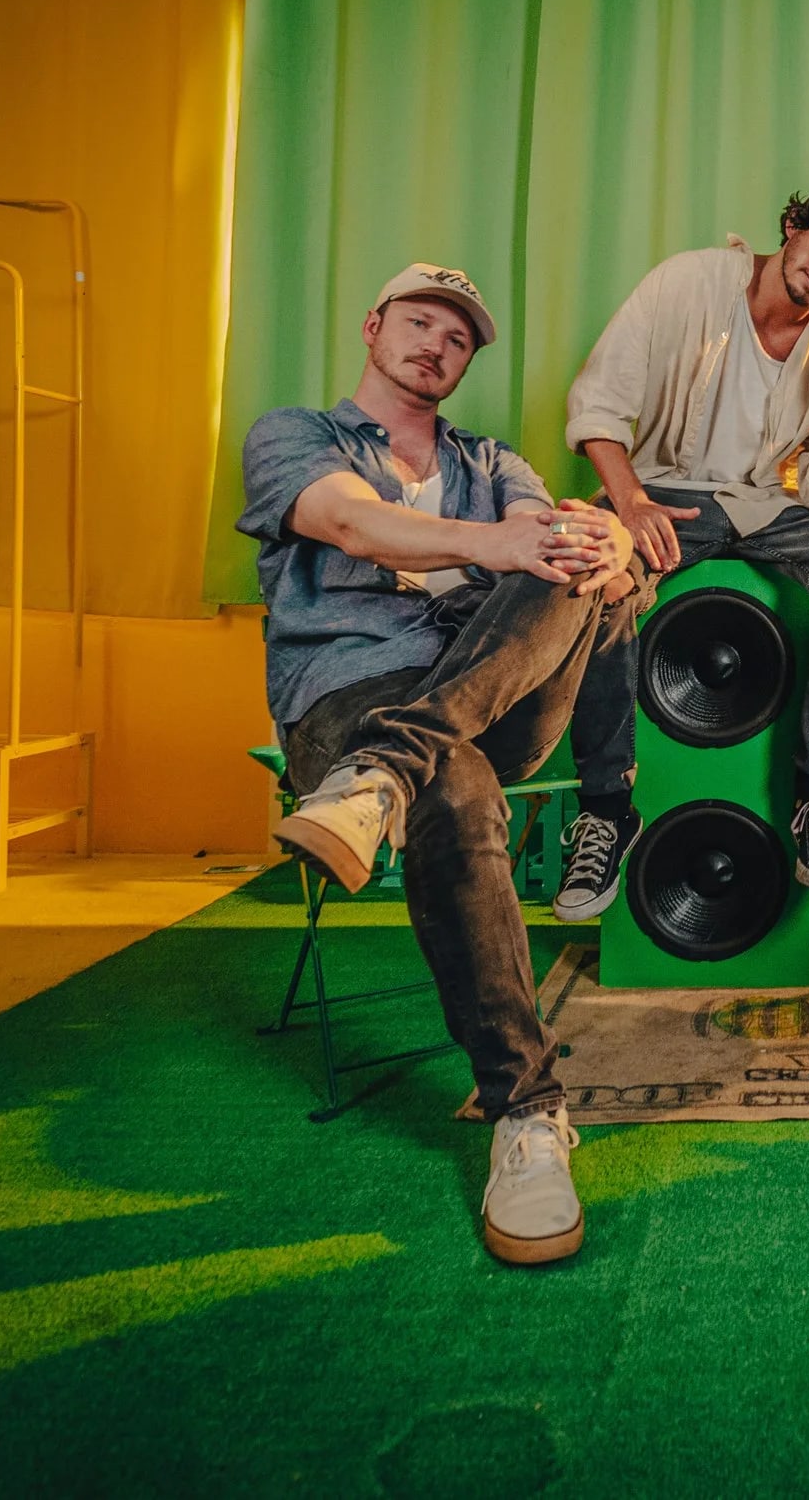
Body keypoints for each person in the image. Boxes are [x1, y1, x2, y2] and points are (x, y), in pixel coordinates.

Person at [243, 263, 635, 1268]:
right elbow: (349, 521)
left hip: (493, 699)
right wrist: (500, 544)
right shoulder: (296, 436)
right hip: (345, 700)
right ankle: (526, 1112)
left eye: (458, 338)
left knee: (578, 558)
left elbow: (564, 546)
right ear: (373, 325)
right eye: (420, 321)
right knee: (454, 783)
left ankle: (384, 777)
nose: (436, 344)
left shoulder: (491, 463)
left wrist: (610, 545)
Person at [551, 175, 809, 920]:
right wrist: (630, 500)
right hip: (663, 493)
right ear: (794, 225)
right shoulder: (688, 281)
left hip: (767, 506)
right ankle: (607, 811)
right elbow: (598, 405)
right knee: (604, 573)